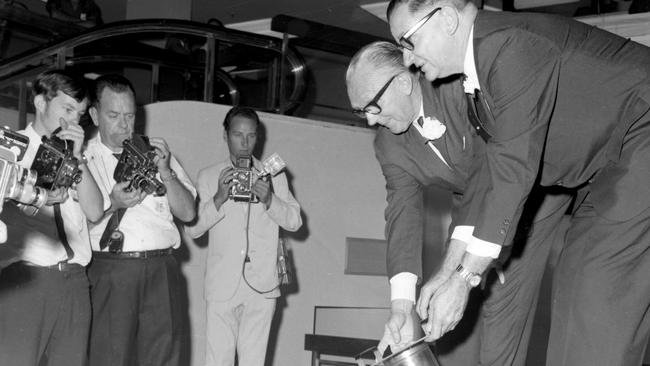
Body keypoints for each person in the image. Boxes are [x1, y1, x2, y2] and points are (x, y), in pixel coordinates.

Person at [387, 1, 650, 365]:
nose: (406, 59)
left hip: (640, 138)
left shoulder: (510, 46)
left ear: (446, 18)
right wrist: (448, 272)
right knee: (579, 292)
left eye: (407, 41)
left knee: (596, 297)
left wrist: (465, 278)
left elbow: (515, 165)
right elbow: (490, 177)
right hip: (607, 168)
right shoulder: (479, 79)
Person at [347, 41, 570, 366]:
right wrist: (401, 307)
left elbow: (495, 172)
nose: (369, 121)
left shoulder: (460, 90)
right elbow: (402, 214)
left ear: (403, 82)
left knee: (561, 298)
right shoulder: (388, 143)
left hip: (532, 185)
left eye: (371, 106)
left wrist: (457, 272)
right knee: (495, 311)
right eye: (360, 111)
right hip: (475, 207)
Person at [85, 74, 196, 366]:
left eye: (130, 115)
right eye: (114, 115)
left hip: (162, 269)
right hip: (111, 270)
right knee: (109, 358)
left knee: (164, 359)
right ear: (95, 115)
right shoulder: (84, 159)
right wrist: (112, 204)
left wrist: (166, 172)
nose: (124, 124)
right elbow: (71, 227)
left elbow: (188, 213)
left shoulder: (157, 153)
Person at [0, 69, 104, 366]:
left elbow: (95, 211)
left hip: (74, 280)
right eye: (67, 109)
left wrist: (78, 156)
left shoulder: (78, 156)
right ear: (41, 103)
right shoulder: (11, 147)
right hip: (26, 277)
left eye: (80, 113)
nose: (73, 120)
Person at [185, 106, 302, 366]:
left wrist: (270, 199)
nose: (245, 143)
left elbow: (295, 221)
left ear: (258, 137)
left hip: (262, 286)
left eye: (251, 136)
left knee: (254, 362)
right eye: (238, 135)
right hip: (221, 285)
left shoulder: (275, 174)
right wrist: (218, 198)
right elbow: (193, 229)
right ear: (225, 135)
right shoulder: (208, 175)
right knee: (217, 361)